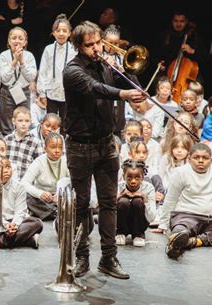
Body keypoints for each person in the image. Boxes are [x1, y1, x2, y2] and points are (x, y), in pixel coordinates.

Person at [63, 21, 147, 280]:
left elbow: (131, 85)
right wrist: (123, 93)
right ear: (78, 46)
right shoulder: (72, 70)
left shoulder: (107, 64)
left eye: (99, 42)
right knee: (82, 205)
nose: (97, 48)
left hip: (107, 143)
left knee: (109, 203)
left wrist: (127, 73)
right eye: (90, 45)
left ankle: (108, 258)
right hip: (80, 145)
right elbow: (95, 89)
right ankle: (81, 258)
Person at [158, 143, 212, 259]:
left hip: (211, 219)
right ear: (189, 159)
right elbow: (170, 199)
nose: (201, 161)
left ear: (211, 160)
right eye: (196, 157)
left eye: (205, 158)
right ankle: (178, 240)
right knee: (180, 229)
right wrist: (163, 224)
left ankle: (196, 241)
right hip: (185, 216)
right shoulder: (180, 172)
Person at [0, 157, 43, 249]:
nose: (6, 171)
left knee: (37, 223)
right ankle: (26, 240)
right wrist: (5, 225)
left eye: (8, 167)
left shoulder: (19, 187)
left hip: (15, 222)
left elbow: (20, 211)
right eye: (1, 168)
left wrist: (14, 225)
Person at [37, 14, 76, 130]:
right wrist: (42, 93)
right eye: (58, 30)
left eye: (65, 31)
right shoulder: (48, 49)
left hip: (68, 94)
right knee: (50, 122)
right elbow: (43, 72)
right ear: (53, 32)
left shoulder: (74, 50)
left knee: (65, 124)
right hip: (51, 93)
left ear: (69, 33)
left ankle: (64, 146)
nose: (61, 33)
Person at [0, 27, 37, 136]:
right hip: (7, 92)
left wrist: (22, 62)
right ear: (9, 41)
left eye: (20, 38)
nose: (17, 41)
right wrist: (14, 61)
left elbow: (31, 77)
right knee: (6, 123)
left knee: (23, 121)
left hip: (24, 91)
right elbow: (4, 78)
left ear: (25, 42)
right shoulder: (3, 55)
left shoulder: (29, 56)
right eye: (14, 38)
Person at [21, 132, 68, 220]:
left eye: (60, 147)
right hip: (43, 199)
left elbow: (73, 182)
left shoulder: (66, 161)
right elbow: (24, 183)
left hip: (61, 198)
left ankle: (51, 213)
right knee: (26, 196)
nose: (57, 150)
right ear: (45, 148)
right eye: (53, 147)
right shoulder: (38, 162)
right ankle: (56, 213)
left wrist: (61, 195)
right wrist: (40, 193)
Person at [116, 159, 156, 247]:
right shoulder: (119, 187)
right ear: (124, 177)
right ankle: (120, 233)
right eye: (129, 178)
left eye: (137, 178)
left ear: (142, 177)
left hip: (140, 223)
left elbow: (151, 217)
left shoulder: (148, 188)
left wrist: (144, 198)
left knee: (138, 201)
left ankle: (138, 235)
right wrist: (120, 196)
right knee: (123, 201)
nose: (133, 181)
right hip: (122, 222)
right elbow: (109, 210)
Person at [159, 10, 204, 83]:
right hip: (169, 71)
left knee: (198, 82)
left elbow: (205, 56)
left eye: (182, 21)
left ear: (186, 22)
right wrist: (160, 63)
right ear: (172, 21)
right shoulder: (166, 35)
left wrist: (192, 51)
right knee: (158, 81)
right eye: (175, 21)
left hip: (189, 72)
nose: (178, 24)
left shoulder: (194, 35)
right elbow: (158, 53)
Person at [4, 106, 43, 179]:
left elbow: (40, 165)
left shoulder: (36, 142)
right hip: (8, 181)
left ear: (30, 122)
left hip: (26, 183)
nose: (24, 124)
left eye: (27, 121)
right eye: (20, 120)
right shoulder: (6, 140)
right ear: (13, 121)